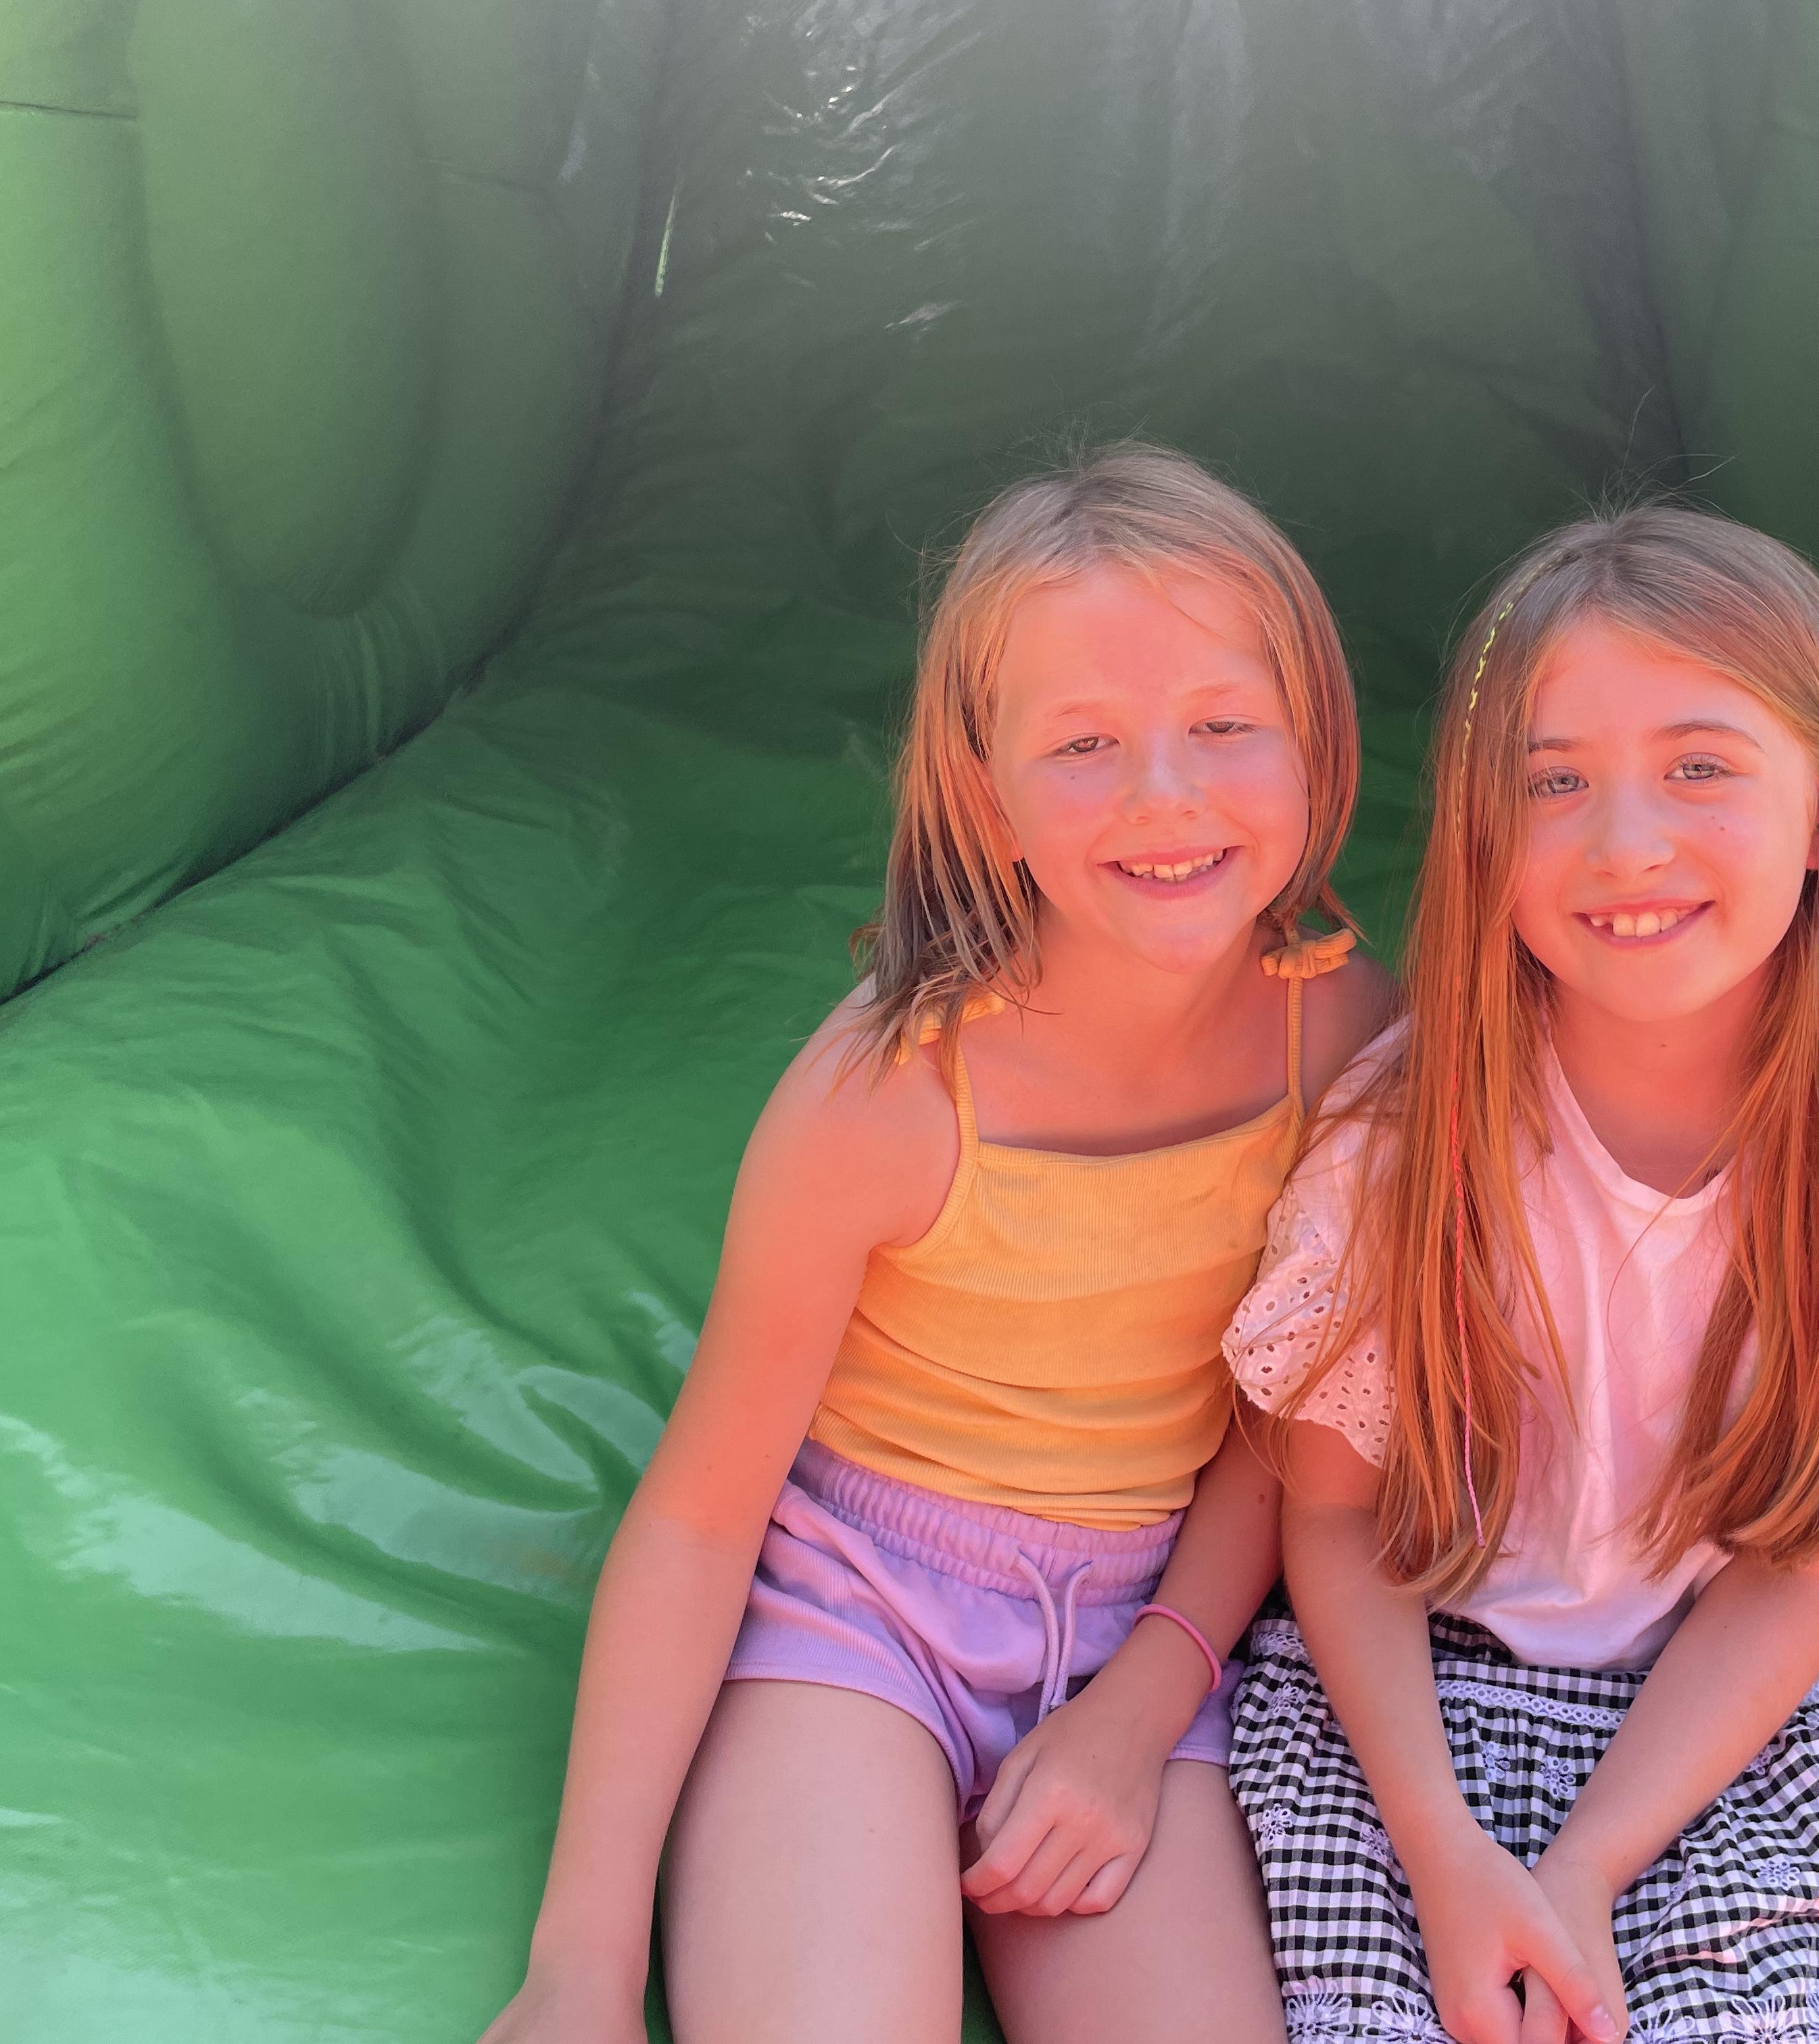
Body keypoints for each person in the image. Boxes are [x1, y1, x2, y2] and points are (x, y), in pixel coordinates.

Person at [479, 443, 1393, 2044]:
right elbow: (699, 1518)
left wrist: (1143, 1705)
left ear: (1314, 739)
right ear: (986, 798)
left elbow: (1288, 1418)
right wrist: (581, 1968)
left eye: (1224, 725)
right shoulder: (886, 1098)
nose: (1165, 793)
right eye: (1085, 744)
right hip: (859, 1613)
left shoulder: (1345, 1039)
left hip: (1144, 1626)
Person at [1223, 506, 1819, 2044]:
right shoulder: (1404, 1135)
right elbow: (1339, 1513)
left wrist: (1582, 1875)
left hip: (1730, 1712)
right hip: (1415, 1695)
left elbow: (1801, 1569)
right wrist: (1448, 1857)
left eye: (1701, 767)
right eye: (1552, 781)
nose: (1623, 842)